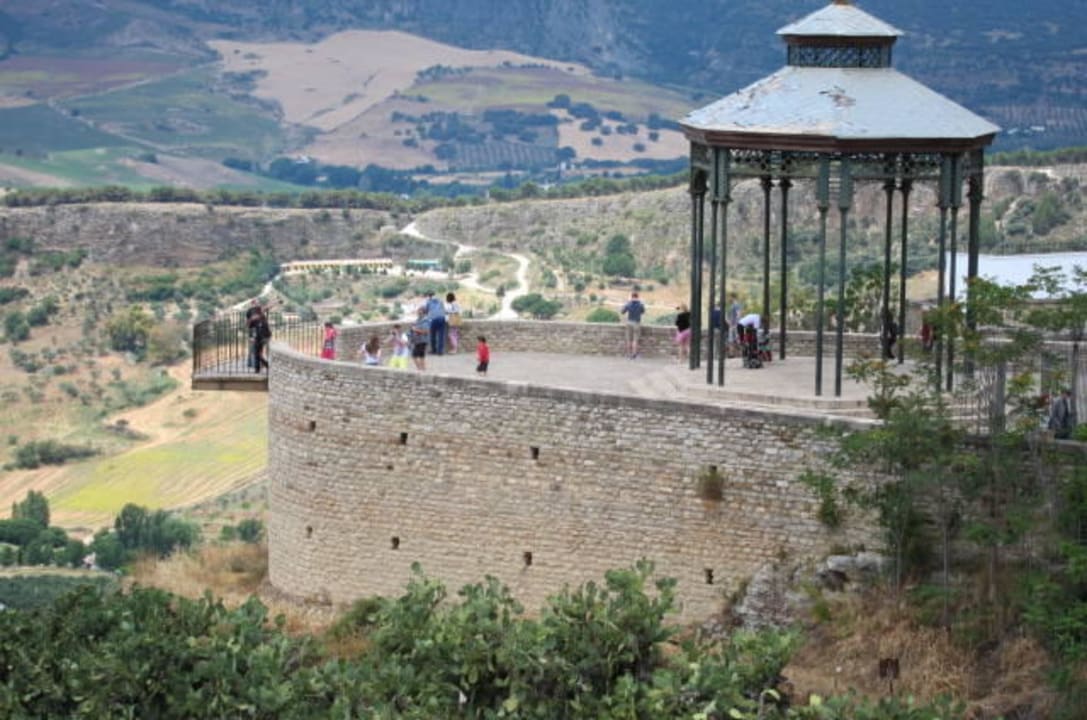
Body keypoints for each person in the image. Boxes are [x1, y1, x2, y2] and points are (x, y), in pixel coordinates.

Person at [620, 291, 646, 358]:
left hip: (629, 322)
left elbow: (622, 312)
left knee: (629, 339)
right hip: (637, 323)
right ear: (637, 297)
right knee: (635, 340)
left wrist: (627, 302)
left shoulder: (628, 304)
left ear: (631, 296)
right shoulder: (640, 304)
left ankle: (628, 354)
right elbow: (643, 312)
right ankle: (634, 354)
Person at [247, 306, 271, 373]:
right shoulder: (255, 320)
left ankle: (263, 366)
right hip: (258, 338)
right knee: (256, 354)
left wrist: (266, 338)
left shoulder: (263, 318)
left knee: (259, 353)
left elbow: (267, 330)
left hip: (265, 337)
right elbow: (248, 325)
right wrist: (251, 319)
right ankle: (260, 368)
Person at [426, 291, 447, 355]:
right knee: (441, 336)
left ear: (429, 296)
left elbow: (427, 310)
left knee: (432, 335)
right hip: (441, 318)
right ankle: (440, 351)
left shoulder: (428, 301)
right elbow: (444, 309)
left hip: (433, 319)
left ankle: (433, 350)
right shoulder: (440, 300)